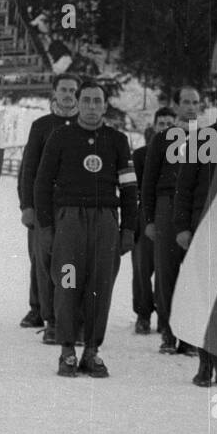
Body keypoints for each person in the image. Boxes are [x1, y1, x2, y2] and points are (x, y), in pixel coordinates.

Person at [34, 79, 137, 378]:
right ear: (77, 103)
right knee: (67, 284)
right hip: (69, 223)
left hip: (105, 222)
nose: (92, 106)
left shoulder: (117, 140)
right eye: (87, 100)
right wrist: (47, 227)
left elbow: (129, 188)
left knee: (99, 286)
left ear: (105, 106)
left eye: (98, 101)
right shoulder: (60, 137)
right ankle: (67, 349)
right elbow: (42, 184)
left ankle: (92, 351)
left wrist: (129, 228)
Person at [174, 75, 217, 387]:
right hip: (205, 229)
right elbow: (185, 187)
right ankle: (205, 364)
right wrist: (183, 228)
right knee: (205, 298)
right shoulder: (202, 139)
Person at [17, 72, 80, 342]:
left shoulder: (84, 123)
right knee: (40, 259)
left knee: (66, 260)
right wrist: (26, 205)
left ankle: (64, 314)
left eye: (72, 90)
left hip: (72, 205)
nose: (68, 95)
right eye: (63, 90)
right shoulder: (42, 125)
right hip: (44, 203)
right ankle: (39, 309)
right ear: (54, 93)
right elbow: (28, 168)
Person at [142, 86, 201, 355]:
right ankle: (167, 331)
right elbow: (149, 181)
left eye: (195, 102)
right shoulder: (163, 139)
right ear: (175, 106)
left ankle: (188, 335)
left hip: (193, 208)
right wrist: (150, 219)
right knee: (166, 271)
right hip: (167, 203)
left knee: (192, 273)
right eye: (186, 102)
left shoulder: (206, 138)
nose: (191, 107)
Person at [132, 107, 176, 333]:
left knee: (166, 268)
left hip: (169, 214)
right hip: (146, 215)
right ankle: (143, 313)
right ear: (154, 126)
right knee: (142, 266)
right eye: (162, 123)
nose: (166, 128)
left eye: (170, 123)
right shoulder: (141, 155)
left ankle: (165, 314)